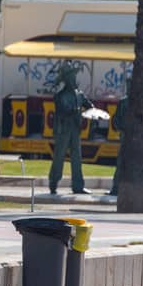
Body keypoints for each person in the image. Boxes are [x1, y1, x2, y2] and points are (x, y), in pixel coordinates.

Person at [50, 63, 92, 195]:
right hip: (64, 131)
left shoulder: (79, 94)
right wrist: (77, 111)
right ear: (67, 79)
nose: (74, 79)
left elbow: (89, 106)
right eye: (72, 77)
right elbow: (63, 111)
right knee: (59, 157)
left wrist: (93, 112)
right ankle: (53, 183)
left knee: (77, 158)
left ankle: (78, 186)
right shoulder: (60, 96)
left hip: (75, 130)